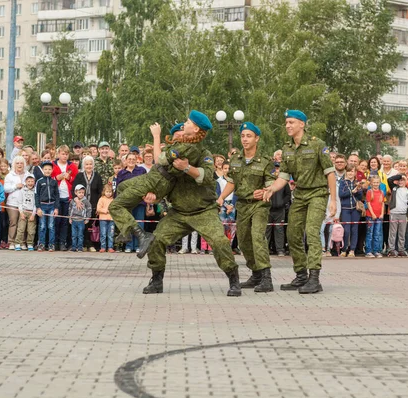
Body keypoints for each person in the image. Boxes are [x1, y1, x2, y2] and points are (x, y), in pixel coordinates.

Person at [140, 119, 242, 297]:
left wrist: (187, 167)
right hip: (178, 213)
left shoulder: (204, 154)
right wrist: (153, 198)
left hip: (204, 211)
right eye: (177, 137)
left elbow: (208, 176)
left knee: (219, 242)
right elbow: (161, 183)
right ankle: (156, 280)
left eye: (183, 133)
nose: (180, 138)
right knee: (156, 240)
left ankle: (233, 279)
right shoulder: (170, 158)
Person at [109, 118, 209, 258]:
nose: (180, 134)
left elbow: (158, 159)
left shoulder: (183, 147)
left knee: (114, 206)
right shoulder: (175, 146)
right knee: (121, 187)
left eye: (182, 131)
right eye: (178, 132)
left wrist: (156, 136)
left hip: (158, 180)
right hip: (153, 177)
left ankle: (142, 236)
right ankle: (126, 230)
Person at [263, 110, 337, 294]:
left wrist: (333, 200)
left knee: (312, 232)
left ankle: (314, 279)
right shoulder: (287, 148)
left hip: (318, 194)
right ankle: (301, 275)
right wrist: (272, 188)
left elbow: (330, 172)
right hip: (301, 195)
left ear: (302, 124)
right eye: (286, 122)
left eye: (291, 122)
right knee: (292, 233)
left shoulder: (317, 144)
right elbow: (284, 176)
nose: (287, 125)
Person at [217, 122, 277, 292]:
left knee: (257, 236)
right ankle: (256, 273)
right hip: (242, 205)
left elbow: (271, 183)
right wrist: (220, 198)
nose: (245, 139)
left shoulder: (265, 161)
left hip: (259, 205)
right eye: (243, 136)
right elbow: (231, 182)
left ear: (257, 138)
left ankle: (266, 277)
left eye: (249, 136)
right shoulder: (235, 160)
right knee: (243, 240)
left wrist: (266, 191)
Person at [72, 156, 103, 252]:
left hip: (93, 206)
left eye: (90, 164)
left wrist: (98, 206)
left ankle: (90, 245)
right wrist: (76, 200)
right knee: (82, 226)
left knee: (91, 226)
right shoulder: (79, 176)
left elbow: (100, 192)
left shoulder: (97, 176)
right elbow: (74, 190)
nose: (88, 166)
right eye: (86, 164)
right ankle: (83, 245)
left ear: (93, 165)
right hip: (80, 206)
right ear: (83, 165)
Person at [51, 145, 79, 251]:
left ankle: (63, 242)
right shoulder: (53, 165)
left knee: (65, 221)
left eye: (66, 154)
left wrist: (70, 178)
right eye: (63, 154)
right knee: (56, 220)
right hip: (56, 197)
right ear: (58, 154)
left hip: (68, 197)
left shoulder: (72, 166)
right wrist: (56, 178)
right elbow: (48, 178)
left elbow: (77, 181)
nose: (64, 156)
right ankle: (54, 242)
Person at [4, 156, 33, 250]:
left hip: (25, 205)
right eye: (17, 163)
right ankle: (11, 242)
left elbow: (33, 186)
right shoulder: (10, 175)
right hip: (12, 203)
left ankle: (22, 242)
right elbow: (6, 188)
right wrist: (16, 186)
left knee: (23, 224)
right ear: (14, 164)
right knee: (13, 222)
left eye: (21, 163)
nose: (19, 165)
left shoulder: (28, 174)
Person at [35, 161, 60, 252]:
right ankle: (41, 244)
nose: (47, 170)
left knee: (51, 226)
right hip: (42, 206)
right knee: (42, 226)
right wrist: (38, 208)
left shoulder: (54, 182)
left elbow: (57, 195)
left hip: (52, 206)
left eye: (49, 169)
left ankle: (51, 244)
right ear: (42, 170)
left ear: (52, 170)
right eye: (45, 169)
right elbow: (36, 195)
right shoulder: (39, 181)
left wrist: (56, 208)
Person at [338, 166, 362, 257]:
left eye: (352, 171)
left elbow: (359, 197)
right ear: (346, 172)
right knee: (346, 230)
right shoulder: (343, 182)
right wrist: (351, 191)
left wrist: (358, 190)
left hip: (355, 209)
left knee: (354, 230)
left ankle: (352, 250)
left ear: (355, 173)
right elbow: (341, 194)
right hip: (345, 209)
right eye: (349, 171)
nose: (350, 173)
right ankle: (344, 249)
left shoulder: (357, 182)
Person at [387, 175, 408, 257]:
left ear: (406, 181)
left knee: (402, 233)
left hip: (403, 214)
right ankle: (391, 249)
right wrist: (400, 175)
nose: (401, 182)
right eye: (399, 180)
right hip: (394, 212)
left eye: (402, 180)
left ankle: (401, 249)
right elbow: (389, 179)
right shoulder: (394, 188)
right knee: (392, 233)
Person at [364, 174, 385, 258]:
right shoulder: (369, 192)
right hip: (370, 216)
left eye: (377, 182)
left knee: (377, 234)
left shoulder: (381, 192)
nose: (376, 184)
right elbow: (368, 204)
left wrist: (382, 213)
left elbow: (382, 204)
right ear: (371, 183)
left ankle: (376, 250)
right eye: (374, 182)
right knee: (370, 233)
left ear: (379, 183)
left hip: (379, 216)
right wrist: (372, 213)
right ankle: (368, 251)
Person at [15, 175, 37, 251]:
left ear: (34, 182)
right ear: (25, 182)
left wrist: (33, 214)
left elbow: (36, 204)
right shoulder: (22, 191)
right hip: (23, 211)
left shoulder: (35, 191)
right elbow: (19, 202)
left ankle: (30, 243)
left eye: (32, 181)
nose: (30, 183)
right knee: (21, 229)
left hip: (31, 212)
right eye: (28, 181)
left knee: (31, 230)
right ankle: (18, 243)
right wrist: (21, 213)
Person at [69, 184, 92, 252]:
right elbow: (70, 209)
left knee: (80, 235)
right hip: (73, 220)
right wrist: (70, 218)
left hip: (81, 221)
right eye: (79, 192)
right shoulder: (73, 201)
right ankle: (74, 247)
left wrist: (87, 218)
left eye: (82, 192)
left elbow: (89, 209)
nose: (81, 194)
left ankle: (80, 247)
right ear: (76, 192)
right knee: (73, 235)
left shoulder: (86, 201)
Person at [96, 184, 115, 253]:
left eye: (110, 192)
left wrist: (112, 211)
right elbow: (98, 209)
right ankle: (103, 247)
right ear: (104, 192)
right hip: (103, 219)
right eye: (107, 192)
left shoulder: (113, 200)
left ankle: (110, 247)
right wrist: (105, 211)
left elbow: (115, 209)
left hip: (111, 219)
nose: (108, 193)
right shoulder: (101, 199)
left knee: (111, 234)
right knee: (103, 234)